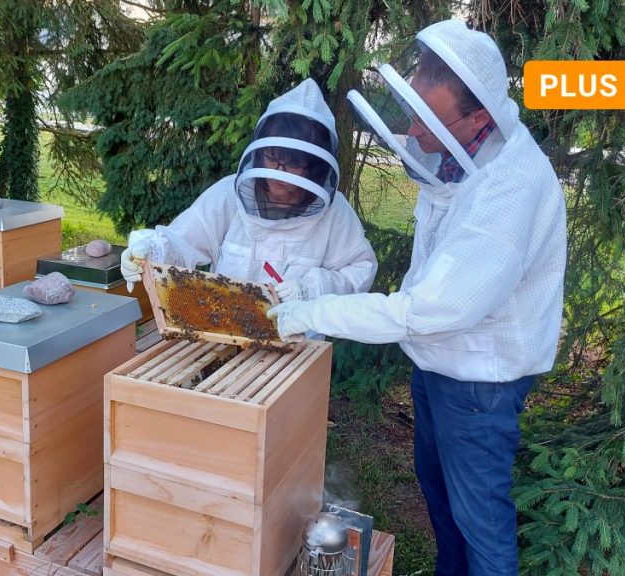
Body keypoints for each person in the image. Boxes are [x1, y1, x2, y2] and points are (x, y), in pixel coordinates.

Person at [267, 20, 567, 575]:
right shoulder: (467, 149)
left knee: (481, 524)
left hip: (480, 380)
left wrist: (311, 311)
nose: (413, 129)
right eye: (414, 108)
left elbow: (425, 309)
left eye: (428, 120)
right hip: (442, 367)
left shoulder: (509, 192)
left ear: (478, 116)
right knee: (445, 507)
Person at [120, 78, 377, 308]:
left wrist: (315, 287)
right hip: (222, 336)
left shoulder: (335, 215)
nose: (279, 171)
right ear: (259, 151)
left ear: (315, 169)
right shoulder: (227, 196)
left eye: (294, 163)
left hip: (299, 349)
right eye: (272, 157)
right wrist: (150, 251)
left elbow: (359, 270)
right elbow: (182, 240)